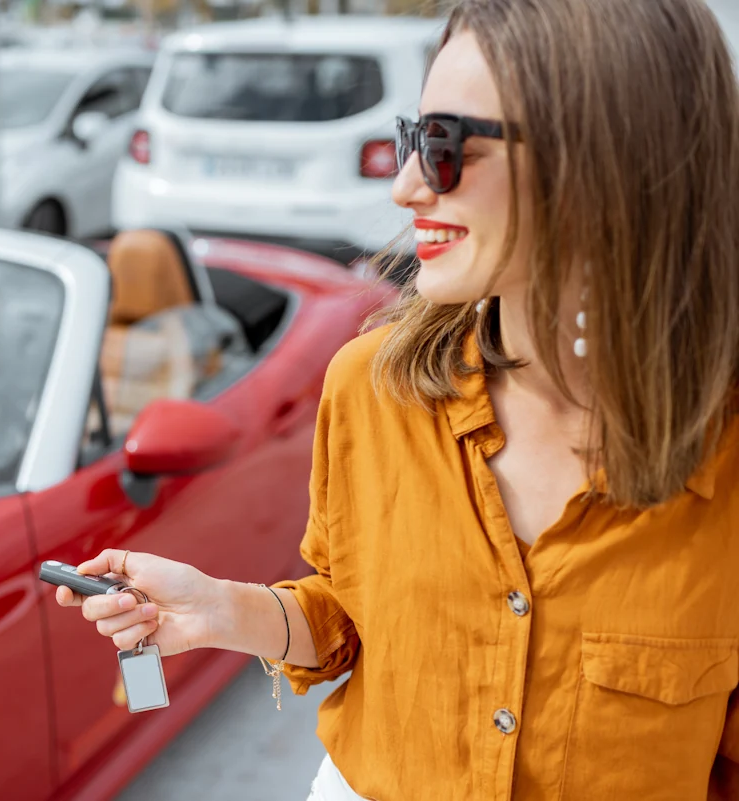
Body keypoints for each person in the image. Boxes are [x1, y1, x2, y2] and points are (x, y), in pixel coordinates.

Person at [53, 0, 739, 798]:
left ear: (606, 161)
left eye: (445, 147)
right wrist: (222, 610)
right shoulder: (371, 386)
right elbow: (351, 618)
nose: (406, 184)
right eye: (414, 139)